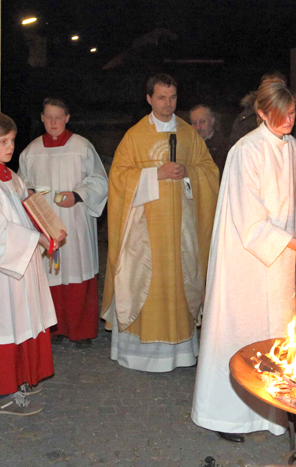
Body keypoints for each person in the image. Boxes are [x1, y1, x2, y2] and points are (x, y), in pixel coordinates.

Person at [192, 79, 296, 442]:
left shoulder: (292, 146)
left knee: (274, 332)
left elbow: (289, 203)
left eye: (293, 113)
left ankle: (271, 414)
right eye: (279, 115)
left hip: (277, 254)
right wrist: (290, 241)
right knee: (239, 331)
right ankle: (227, 415)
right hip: (245, 257)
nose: (287, 121)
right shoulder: (245, 151)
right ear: (262, 113)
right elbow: (249, 219)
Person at [102, 73, 220, 372]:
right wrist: (155, 174)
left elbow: (209, 171)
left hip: (182, 229)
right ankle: (139, 353)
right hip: (145, 231)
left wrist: (188, 172)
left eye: (173, 97)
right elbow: (117, 178)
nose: (168, 104)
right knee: (144, 283)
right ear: (149, 99)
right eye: (162, 98)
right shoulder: (135, 136)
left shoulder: (188, 133)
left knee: (182, 282)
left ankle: (180, 352)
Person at [0, 111, 65, 415]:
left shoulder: (8, 174)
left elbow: (25, 210)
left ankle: (22, 376)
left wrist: (48, 225)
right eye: (2, 141)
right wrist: (36, 240)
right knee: (3, 324)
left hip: (19, 264)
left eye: (12, 140)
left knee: (23, 319)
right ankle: (2, 392)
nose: (10, 146)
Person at [18, 98, 108, 348]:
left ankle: (82, 331)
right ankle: (53, 329)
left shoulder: (82, 147)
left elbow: (100, 180)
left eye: (59, 117)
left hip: (75, 221)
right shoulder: (31, 151)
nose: (54, 122)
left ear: (67, 117)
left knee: (77, 271)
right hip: (45, 222)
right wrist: (31, 194)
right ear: (42, 118)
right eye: (48, 117)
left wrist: (77, 195)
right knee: (50, 275)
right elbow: (21, 185)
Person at [228, 71, 287, 146]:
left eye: (276, 89)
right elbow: (235, 150)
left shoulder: (292, 117)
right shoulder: (246, 119)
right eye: (266, 89)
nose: (271, 94)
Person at [190, 104, 228, 177]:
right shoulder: (187, 145)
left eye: (202, 122)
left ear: (212, 121)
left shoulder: (223, 147)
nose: (198, 127)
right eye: (194, 123)